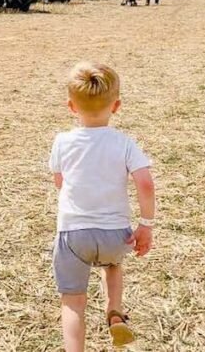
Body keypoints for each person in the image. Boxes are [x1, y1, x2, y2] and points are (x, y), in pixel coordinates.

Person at [49, 63, 156, 352]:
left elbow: (60, 182)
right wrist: (146, 224)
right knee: (112, 264)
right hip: (115, 234)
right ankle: (115, 311)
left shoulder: (62, 142)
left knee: (73, 303)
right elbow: (145, 183)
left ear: (71, 106)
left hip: (73, 233)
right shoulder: (124, 143)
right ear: (116, 106)